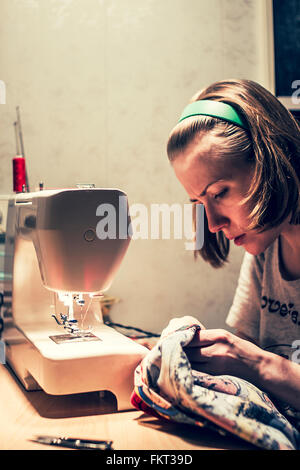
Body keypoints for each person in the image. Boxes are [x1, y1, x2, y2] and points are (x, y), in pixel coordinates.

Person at [165, 79, 300, 423]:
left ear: (275, 160)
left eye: (219, 192)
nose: (211, 223)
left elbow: (252, 362)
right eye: (198, 201)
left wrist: (257, 362)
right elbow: (245, 365)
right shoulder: (265, 251)